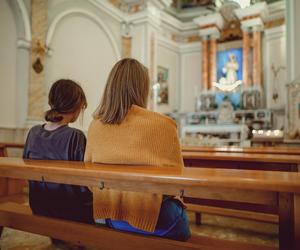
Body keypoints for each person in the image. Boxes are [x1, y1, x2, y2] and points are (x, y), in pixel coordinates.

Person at [85, 58, 191, 241]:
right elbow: (177, 184)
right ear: (142, 89)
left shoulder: (95, 126)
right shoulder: (163, 125)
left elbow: (89, 180)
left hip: (111, 216)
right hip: (158, 220)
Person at [23, 79, 93, 224]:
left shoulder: (33, 132)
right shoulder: (75, 136)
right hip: (71, 210)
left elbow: (27, 175)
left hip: (38, 206)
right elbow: (84, 184)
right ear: (76, 105)